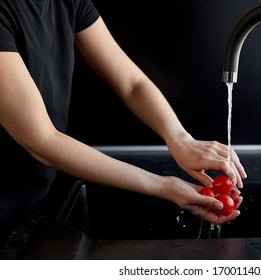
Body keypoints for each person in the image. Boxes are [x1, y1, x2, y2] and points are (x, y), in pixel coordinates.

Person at [0, 0, 246, 230]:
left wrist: (181, 140)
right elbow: (42, 140)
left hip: (33, 199)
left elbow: (132, 83)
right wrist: (164, 186)